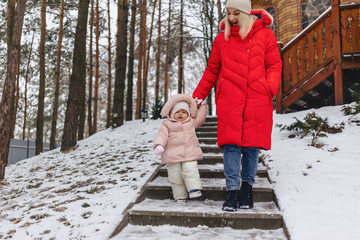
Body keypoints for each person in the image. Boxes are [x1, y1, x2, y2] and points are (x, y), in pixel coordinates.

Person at [192, 0, 282, 211]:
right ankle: (232, 192)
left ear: (246, 13)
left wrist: (268, 88)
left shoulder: (266, 35)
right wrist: (198, 96)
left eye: (236, 13)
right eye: (228, 13)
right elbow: (212, 70)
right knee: (231, 147)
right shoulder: (221, 40)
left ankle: (246, 189)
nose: (231, 18)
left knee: (251, 147)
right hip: (230, 99)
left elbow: (274, 64)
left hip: (256, 98)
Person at [154, 94, 207, 204]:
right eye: (178, 112)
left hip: (189, 153)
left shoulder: (191, 122)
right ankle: (180, 196)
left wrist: (203, 105)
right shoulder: (167, 124)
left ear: (188, 113)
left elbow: (201, 118)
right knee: (175, 176)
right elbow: (161, 135)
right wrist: (159, 145)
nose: (180, 114)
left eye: (184, 112)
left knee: (190, 170)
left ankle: (194, 189)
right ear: (172, 112)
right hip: (172, 155)